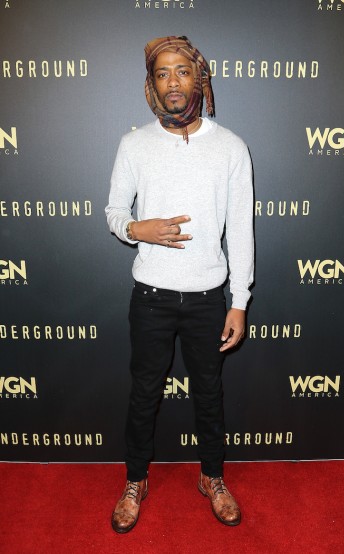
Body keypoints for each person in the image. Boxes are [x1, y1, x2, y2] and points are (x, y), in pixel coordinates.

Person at [105, 35, 254, 533]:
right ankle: (135, 479)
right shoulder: (134, 144)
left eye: (182, 71)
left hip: (210, 298)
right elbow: (113, 211)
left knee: (209, 392)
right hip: (150, 295)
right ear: (152, 85)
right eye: (162, 73)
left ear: (199, 78)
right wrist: (135, 228)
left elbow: (241, 228)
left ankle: (212, 476)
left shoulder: (231, 147)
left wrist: (240, 301)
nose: (173, 81)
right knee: (144, 393)